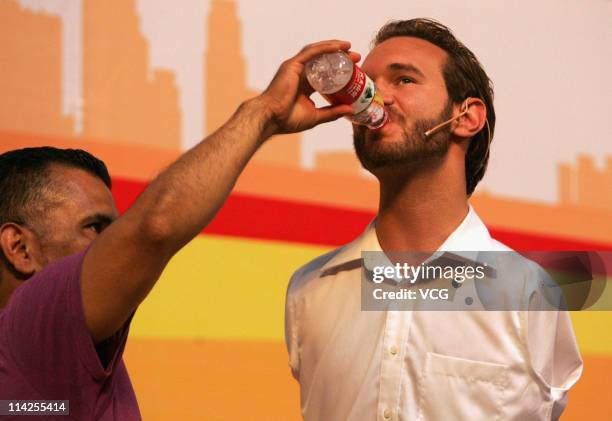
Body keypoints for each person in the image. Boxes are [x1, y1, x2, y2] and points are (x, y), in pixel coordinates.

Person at [0, 40, 357, 420]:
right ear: (19, 248)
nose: (112, 245)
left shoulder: (46, 372)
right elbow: (154, 227)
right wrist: (265, 112)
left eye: (115, 230)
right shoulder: (33, 332)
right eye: (95, 228)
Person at [284, 19, 583, 420]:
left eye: (404, 80)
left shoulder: (528, 292)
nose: (374, 99)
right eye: (365, 83)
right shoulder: (310, 289)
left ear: (466, 117)